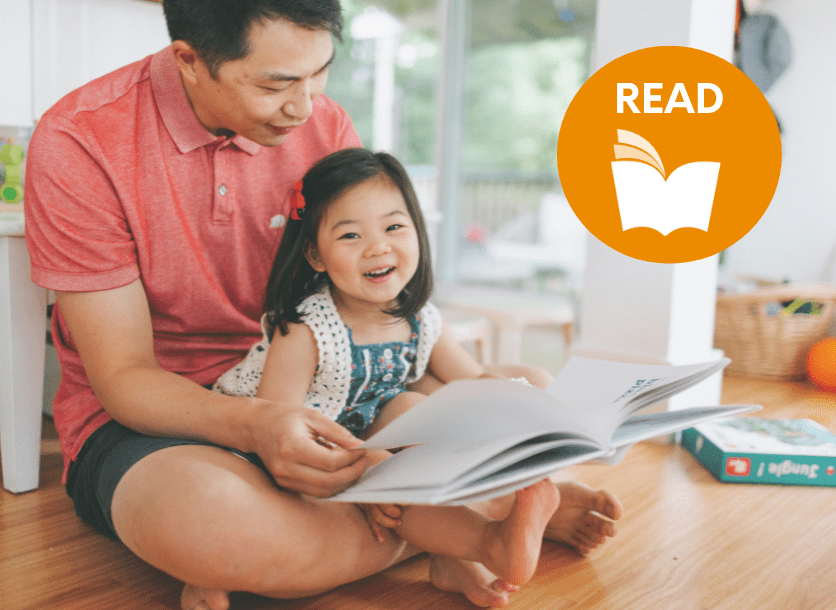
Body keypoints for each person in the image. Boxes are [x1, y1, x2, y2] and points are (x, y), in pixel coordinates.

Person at [23, 1, 622, 609]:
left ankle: (398, 531)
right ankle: (468, 516)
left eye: (320, 73)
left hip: (334, 404)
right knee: (212, 518)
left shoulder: (324, 127)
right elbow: (125, 378)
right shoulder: (81, 140)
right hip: (164, 422)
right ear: (190, 60)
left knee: (474, 408)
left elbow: (372, 313)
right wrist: (260, 425)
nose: (305, 107)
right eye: (276, 84)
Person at [211, 146, 560, 587]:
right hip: (288, 448)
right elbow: (276, 425)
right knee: (391, 466)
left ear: (418, 231)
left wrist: (530, 392)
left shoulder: (420, 317)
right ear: (316, 256)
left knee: (419, 408)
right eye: (350, 236)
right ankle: (488, 543)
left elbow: (471, 382)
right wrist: (362, 467)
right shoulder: (304, 327)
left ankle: (448, 558)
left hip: (361, 434)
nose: (378, 247)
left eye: (394, 226)